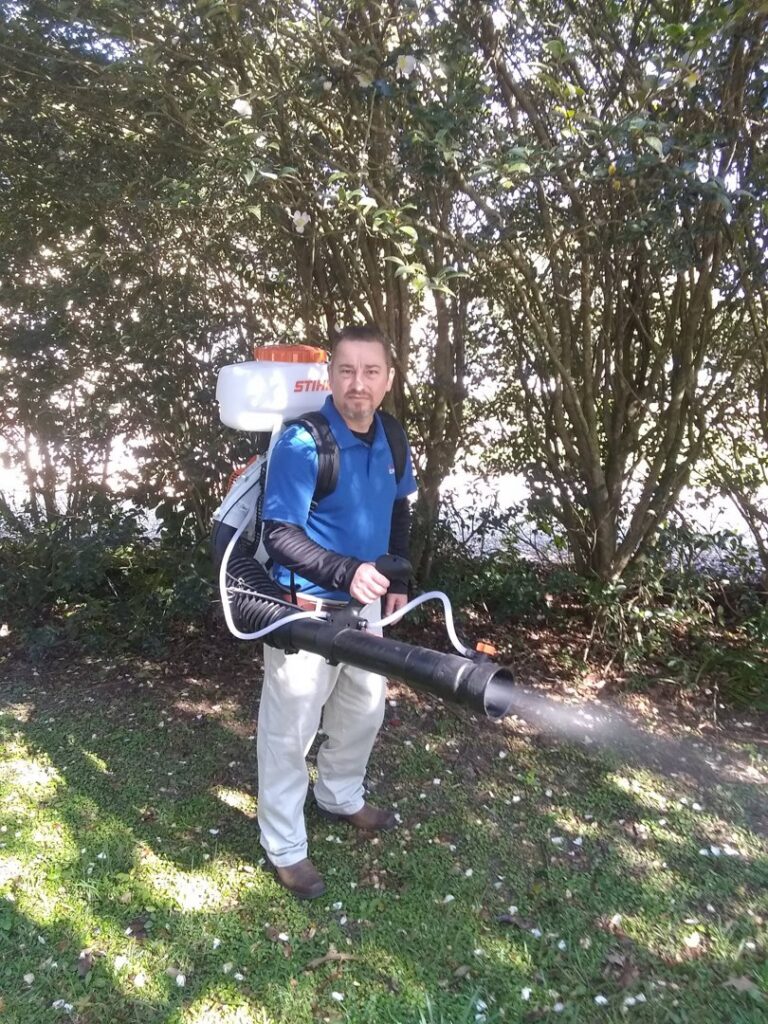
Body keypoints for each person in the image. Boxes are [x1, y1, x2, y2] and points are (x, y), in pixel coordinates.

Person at [256, 324, 418, 899]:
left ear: (388, 379)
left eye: (371, 371)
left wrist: (397, 574)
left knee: (362, 712)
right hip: (305, 611)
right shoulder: (304, 442)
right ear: (331, 377)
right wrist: (346, 571)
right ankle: (285, 847)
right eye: (347, 370)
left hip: (366, 607)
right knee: (289, 732)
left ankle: (340, 796)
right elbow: (279, 535)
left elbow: (399, 509)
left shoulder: (393, 437)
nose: (358, 383)